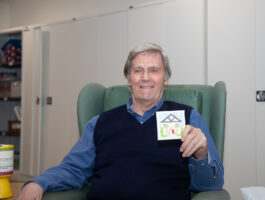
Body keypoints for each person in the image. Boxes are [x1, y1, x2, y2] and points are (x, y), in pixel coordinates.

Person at [17, 43, 224, 200]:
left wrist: (201, 154)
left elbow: (210, 186)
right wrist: (38, 183)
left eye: (154, 70)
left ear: (165, 79)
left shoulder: (188, 118)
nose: (145, 77)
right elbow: (73, 169)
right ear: (129, 79)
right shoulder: (100, 122)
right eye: (137, 70)